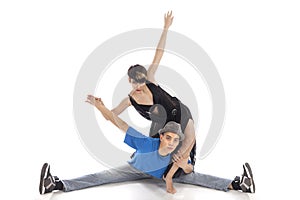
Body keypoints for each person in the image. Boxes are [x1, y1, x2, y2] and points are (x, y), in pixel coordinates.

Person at [39, 95, 255, 195]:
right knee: (101, 177)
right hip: (135, 169)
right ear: (161, 137)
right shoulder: (146, 144)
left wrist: (183, 165)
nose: (171, 143)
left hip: (161, 176)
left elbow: (190, 169)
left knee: (196, 178)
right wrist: (100, 107)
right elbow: (119, 122)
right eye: (168, 138)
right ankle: (57, 185)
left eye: (175, 140)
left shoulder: (176, 155)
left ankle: (237, 185)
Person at [110, 11, 196, 193]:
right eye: (135, 82)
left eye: (142, 81)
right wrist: (98, 106)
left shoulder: (150, 79)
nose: (140, 85)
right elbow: (113, 114)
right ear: (129, 81)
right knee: (153, 152)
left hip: (181, 115)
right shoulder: (130, 100)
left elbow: (159, 53)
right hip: (163, 129)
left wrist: (165, 28)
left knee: (184, 153)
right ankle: (159, 173)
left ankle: (176, 176)